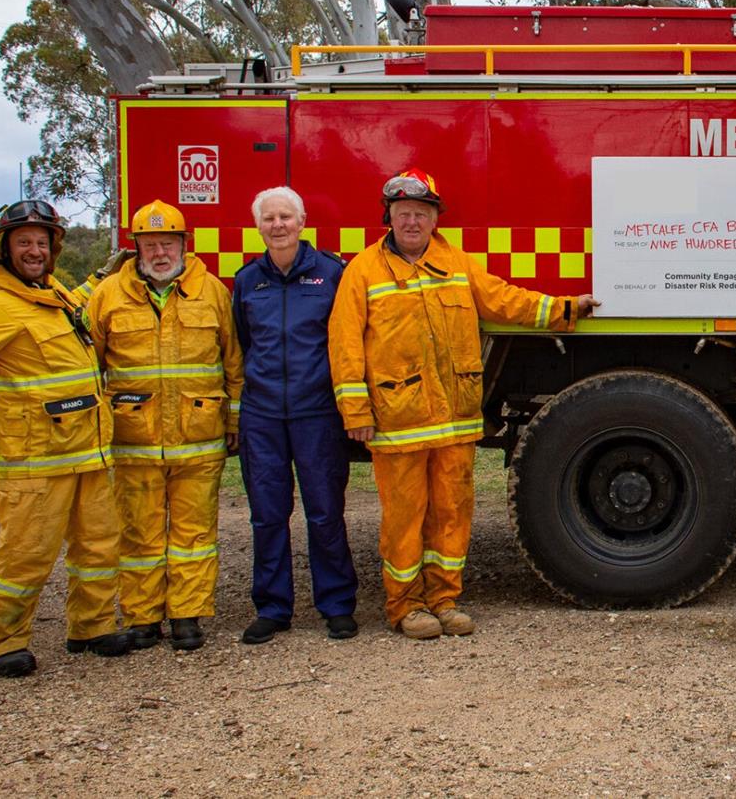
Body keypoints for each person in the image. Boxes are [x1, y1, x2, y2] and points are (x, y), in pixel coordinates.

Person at [328, 168, 599, 640]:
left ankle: (444, 599)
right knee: (404, 518)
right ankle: (405, 605)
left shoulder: (457, 263)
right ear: (388, 217)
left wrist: (563, 309)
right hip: (399, 423)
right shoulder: (363, 271)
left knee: (453, 513)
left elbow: (503, 301)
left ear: (435, 219)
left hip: (454, 419)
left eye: (421, 213)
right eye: (403, 213)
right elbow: (345, 343)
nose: (411, 222)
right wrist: (355, 412)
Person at [0, 200, 135, 676]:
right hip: (35, 460)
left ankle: (93, 626)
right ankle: (6, 642)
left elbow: (75, 311)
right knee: (26, 554)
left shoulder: (53, 292)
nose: (34, 250)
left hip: (87, 450)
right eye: (24, 243)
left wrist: (100, 278)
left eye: (42, 242)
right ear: (4, 249)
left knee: (99, 547)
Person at [88, 200, 244, 652]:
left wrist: (233, 420)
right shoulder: (108, 296)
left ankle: (186, 615)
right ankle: (142, 617)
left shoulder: (212, 290)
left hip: (198, 437)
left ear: (183, 244)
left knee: (194, 534)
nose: (159, 252)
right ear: (135, 247)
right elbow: (90, 365)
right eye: (149, 244)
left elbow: (232, 362)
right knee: (139, 532)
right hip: (134, 438)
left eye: (168, 242)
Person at [233, 187, 358, 644]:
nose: (278, 225)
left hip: (316, 412)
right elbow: (244, 342)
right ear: (259, 226)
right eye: (269, 218)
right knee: (267, 515)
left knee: (325, 513)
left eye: (286, 216)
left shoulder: (331, 274)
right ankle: (272, 608)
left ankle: (337, 605)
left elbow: (346, 339)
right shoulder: (248, 280)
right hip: (263, 416)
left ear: (302, 221)